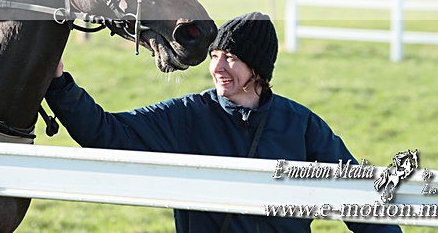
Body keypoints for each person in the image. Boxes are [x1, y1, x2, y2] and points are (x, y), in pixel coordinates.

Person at [45, 12, 402, 232]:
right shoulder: (187, 115)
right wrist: (60, 86)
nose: (216, 68)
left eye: (229, 57)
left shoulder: (301, 124)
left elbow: (359, 199)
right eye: (214, 56)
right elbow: (108, 134)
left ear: (257, 68)